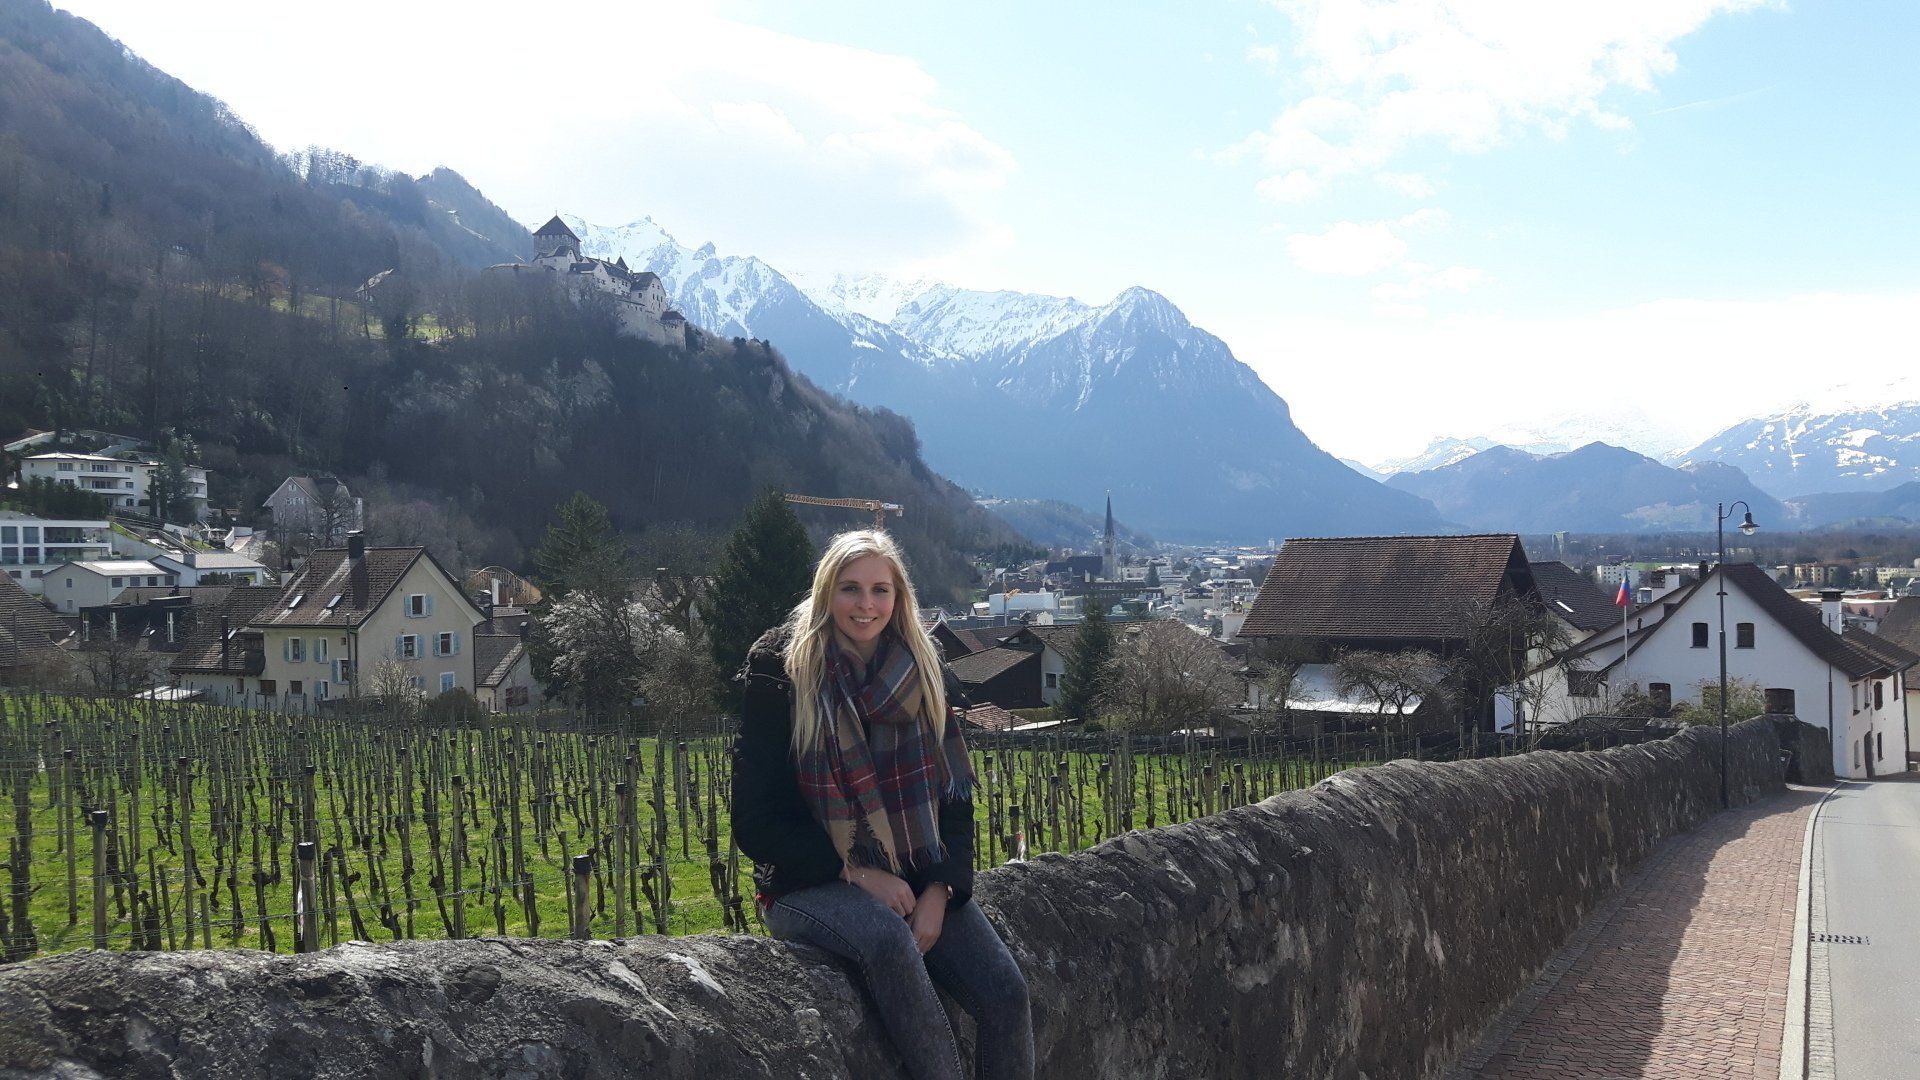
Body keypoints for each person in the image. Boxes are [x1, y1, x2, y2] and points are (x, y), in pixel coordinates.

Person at [731, 530, 1033, 1080]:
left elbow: (953, 800)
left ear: (899, 597)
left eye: (880, 590)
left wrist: (940, 890)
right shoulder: (781, 668)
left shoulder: (922, 667)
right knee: (890, 942)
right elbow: (755, 820)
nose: (865, 605)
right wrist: (857, 872)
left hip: (916, 873)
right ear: (826, 591)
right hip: (806, 881)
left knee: (1005, 992)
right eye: (850, 588)